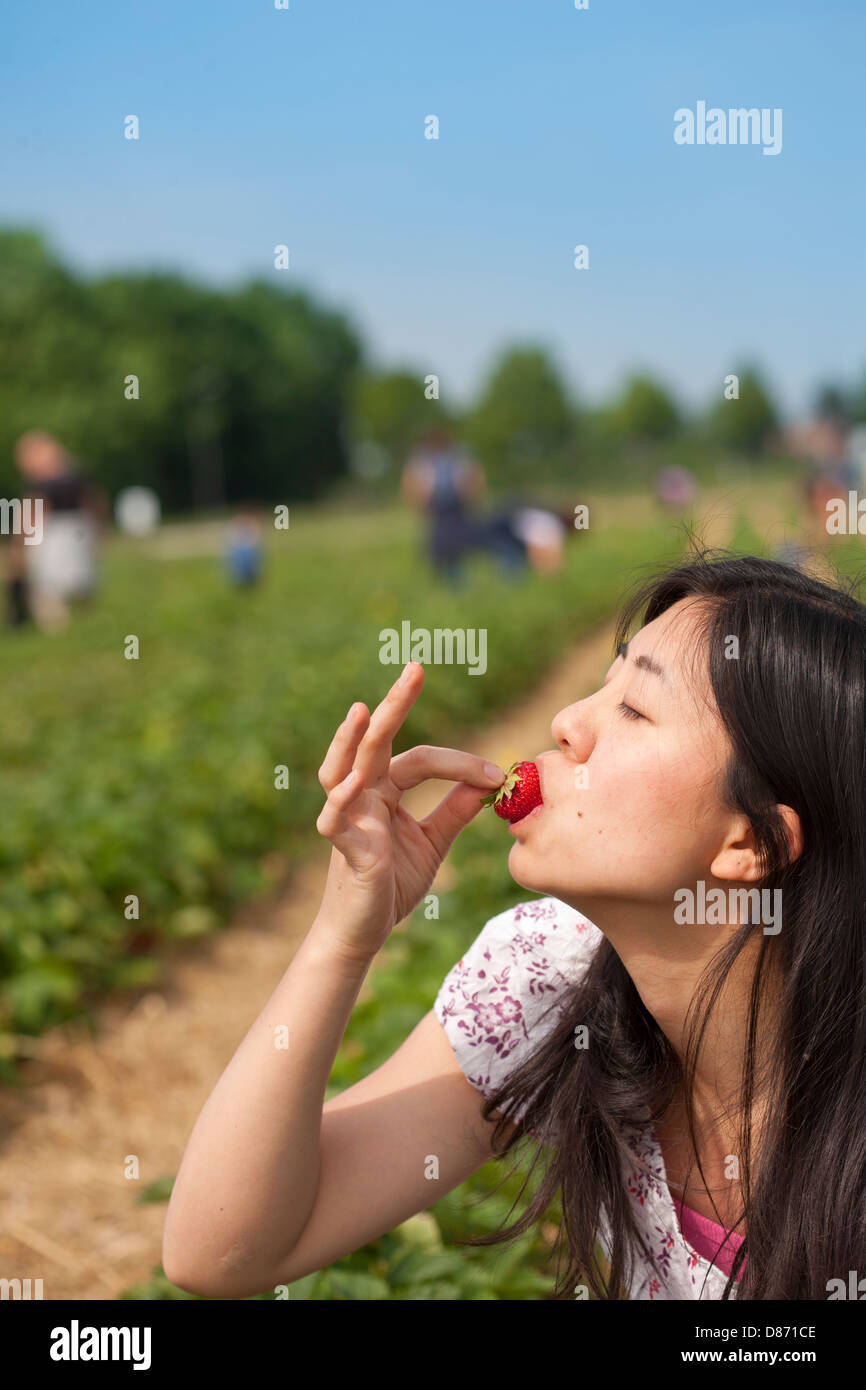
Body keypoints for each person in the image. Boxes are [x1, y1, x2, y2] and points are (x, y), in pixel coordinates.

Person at [163, 549, 866, 1301]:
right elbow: (219, 1253)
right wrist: (345, 932)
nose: (566, 722)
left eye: (633, 710)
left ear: (751, 842)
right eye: (604, 685)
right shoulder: (549, 976)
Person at [10, 430, 108, 630]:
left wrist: (22, 541)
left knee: (48, 586)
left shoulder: (42, 485)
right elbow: (96, 502)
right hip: (79, 531)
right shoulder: (77, 477)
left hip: (53, 537)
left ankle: (54, 623)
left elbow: (34, 513)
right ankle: (81, 618)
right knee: (79, 580)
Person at [400, 427, 485, 585]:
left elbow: (474, 473)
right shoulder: (421, 457)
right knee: (436, 544)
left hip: (456, 505)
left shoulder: (458, 453)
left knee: (458, 543)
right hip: (435, 506)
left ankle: (457, 580)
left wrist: (472, 495)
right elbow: (410, 480)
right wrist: (416, 502)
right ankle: (439, 579)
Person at [224, 506, 264, 587]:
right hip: (241, 552)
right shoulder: (236, 524)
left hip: (246, 551)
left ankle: (248, 581)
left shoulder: (252, 525)